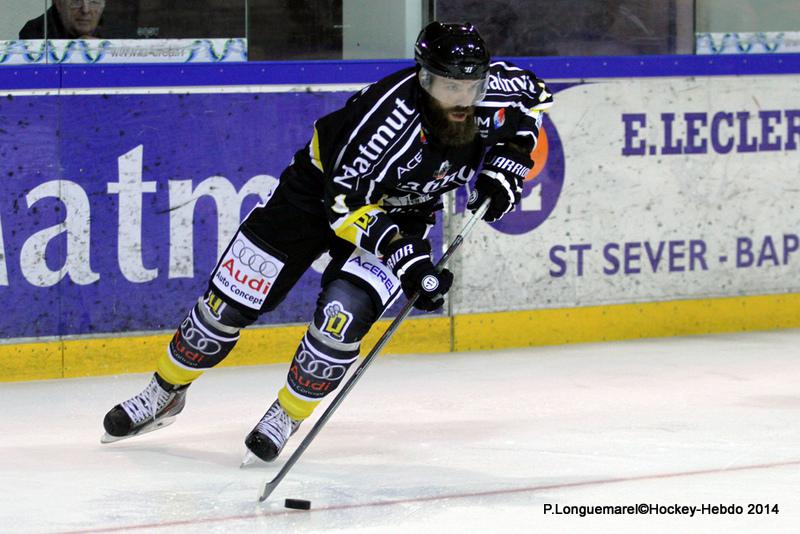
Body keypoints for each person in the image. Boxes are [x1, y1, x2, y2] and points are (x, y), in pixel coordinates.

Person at [101, 21, 554, 463]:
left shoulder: (496, 88)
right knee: (228, 302)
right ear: (423, 77)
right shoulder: (386, 123)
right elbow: (344, 207)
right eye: (448, 87)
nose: (460, 100)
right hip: (317, 195)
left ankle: (286, 413)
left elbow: (532, 104)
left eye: (470, 87)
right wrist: (407, 259)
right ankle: (164, 393)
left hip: (405, 210)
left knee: (340, 322)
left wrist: (507, 164)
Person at [19, 0, 105, 40]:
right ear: (59, 4)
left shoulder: (113, 31)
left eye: (94, 2)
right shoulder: (35, 32)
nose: (85, 10)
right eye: (76, 2)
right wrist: (75, 49)